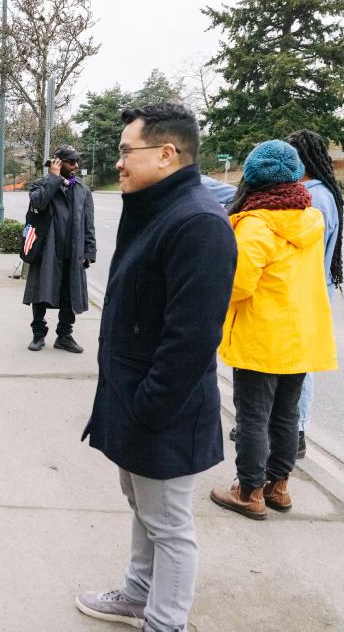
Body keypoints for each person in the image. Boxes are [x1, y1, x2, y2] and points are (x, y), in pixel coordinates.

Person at [78, 104, 237, 632]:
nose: (118, 163)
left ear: (166, 154)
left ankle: (165, 622)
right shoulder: (155, 207)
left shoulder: (196, 222)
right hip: (134, 398)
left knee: (169, 523)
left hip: (160, 407)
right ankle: (136, 595)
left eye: (126, 151)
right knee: (142, 507)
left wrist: (148, 407)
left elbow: (191, 338)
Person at [211, 140, 337, 519]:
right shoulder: (309, 219)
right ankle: (278, 487)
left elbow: (239, 283)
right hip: (300, 336)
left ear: (253, 178)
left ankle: (249, 491)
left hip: (262, 337)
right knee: (285, 415)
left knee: (252, 416)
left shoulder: (256, 223)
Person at [285, 130, 344, 459]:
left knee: (298, 367)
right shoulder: (310, 193)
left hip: (306, 299)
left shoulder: (315, 198)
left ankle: (298, 431)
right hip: (304, 296)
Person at [22, 145, 96, 353]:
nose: (76, 165)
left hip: (73, 252)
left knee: (69, 295)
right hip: (47, 250)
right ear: (57, 163)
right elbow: (38, 202)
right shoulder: (41, 184)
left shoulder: (82, 189)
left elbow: (88, 222)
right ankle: (38, 334)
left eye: (77, 162)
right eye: (71, 161)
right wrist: (53, 179)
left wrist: (90, 252)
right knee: (41, 293)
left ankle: (64, 335)